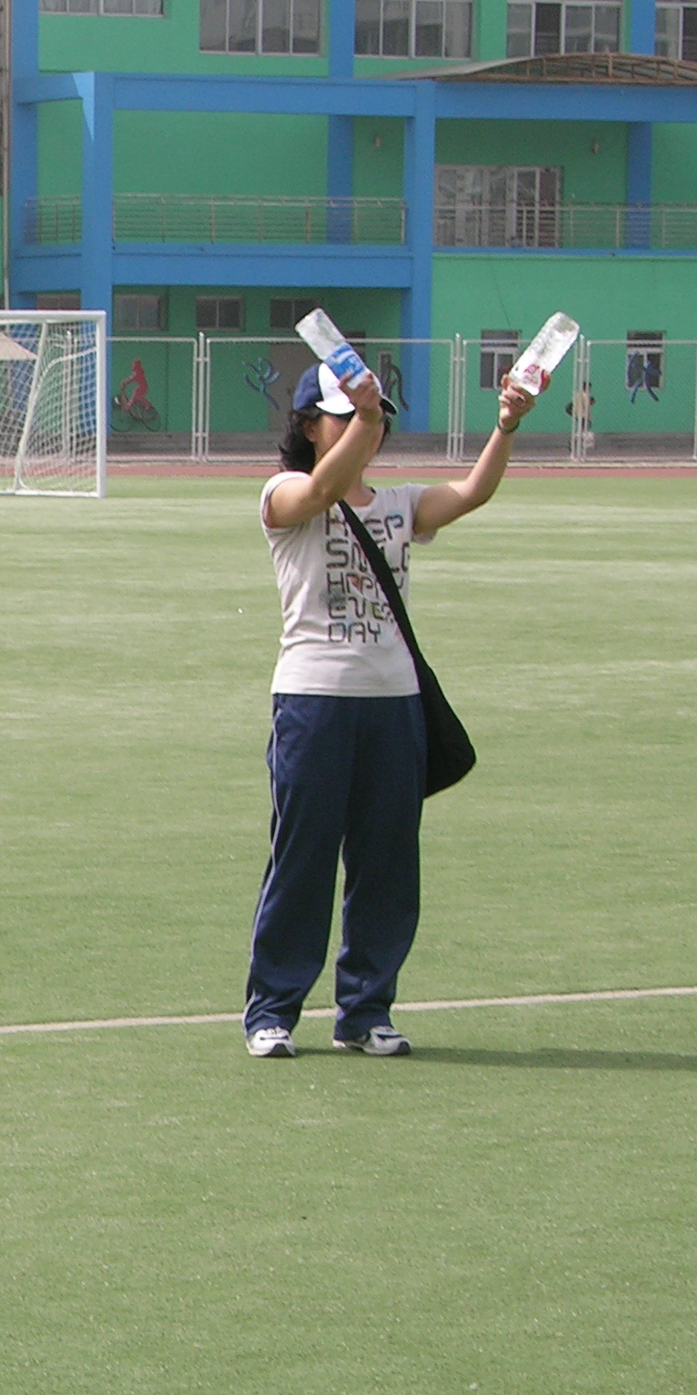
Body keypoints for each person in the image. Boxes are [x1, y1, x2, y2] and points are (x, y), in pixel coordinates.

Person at [243, 358, 534, 1058]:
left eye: (371, 419)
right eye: (344, 418)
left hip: (394, 702)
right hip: (313, 699)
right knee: (303, 857)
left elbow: (471, 492)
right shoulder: (284, 492)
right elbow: (321, 490)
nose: (364, 429)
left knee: (387, 864)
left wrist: (506, 426)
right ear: (309, 426)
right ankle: (272, 1010)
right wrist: (366, 415)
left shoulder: (399, 504)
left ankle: (365, 1010)